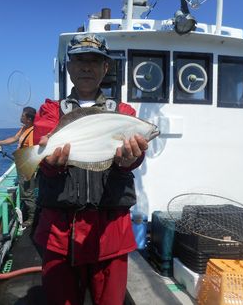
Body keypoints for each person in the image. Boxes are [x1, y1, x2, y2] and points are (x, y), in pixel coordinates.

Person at [32, 33, 148, 305]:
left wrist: (130, 159)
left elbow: (132, 158)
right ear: (69, 67)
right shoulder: (50, 112)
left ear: (105, 68)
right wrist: (49, 164)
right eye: (80, 60)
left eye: (95, 61)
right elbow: (44, 150)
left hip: (110, 234)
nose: (86, 66)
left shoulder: (124, 113)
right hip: (59, 233)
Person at [0, 106, 37, 227]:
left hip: (27, 165)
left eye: (23, 115)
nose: (20, 117)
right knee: (24, 190)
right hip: (21, 163)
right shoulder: (24, 129)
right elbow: (14, 139)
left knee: (27, 192)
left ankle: (32, 218)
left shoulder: (32, 132)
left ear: (29, 119)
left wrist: (30, 170)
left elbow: (33, 151)